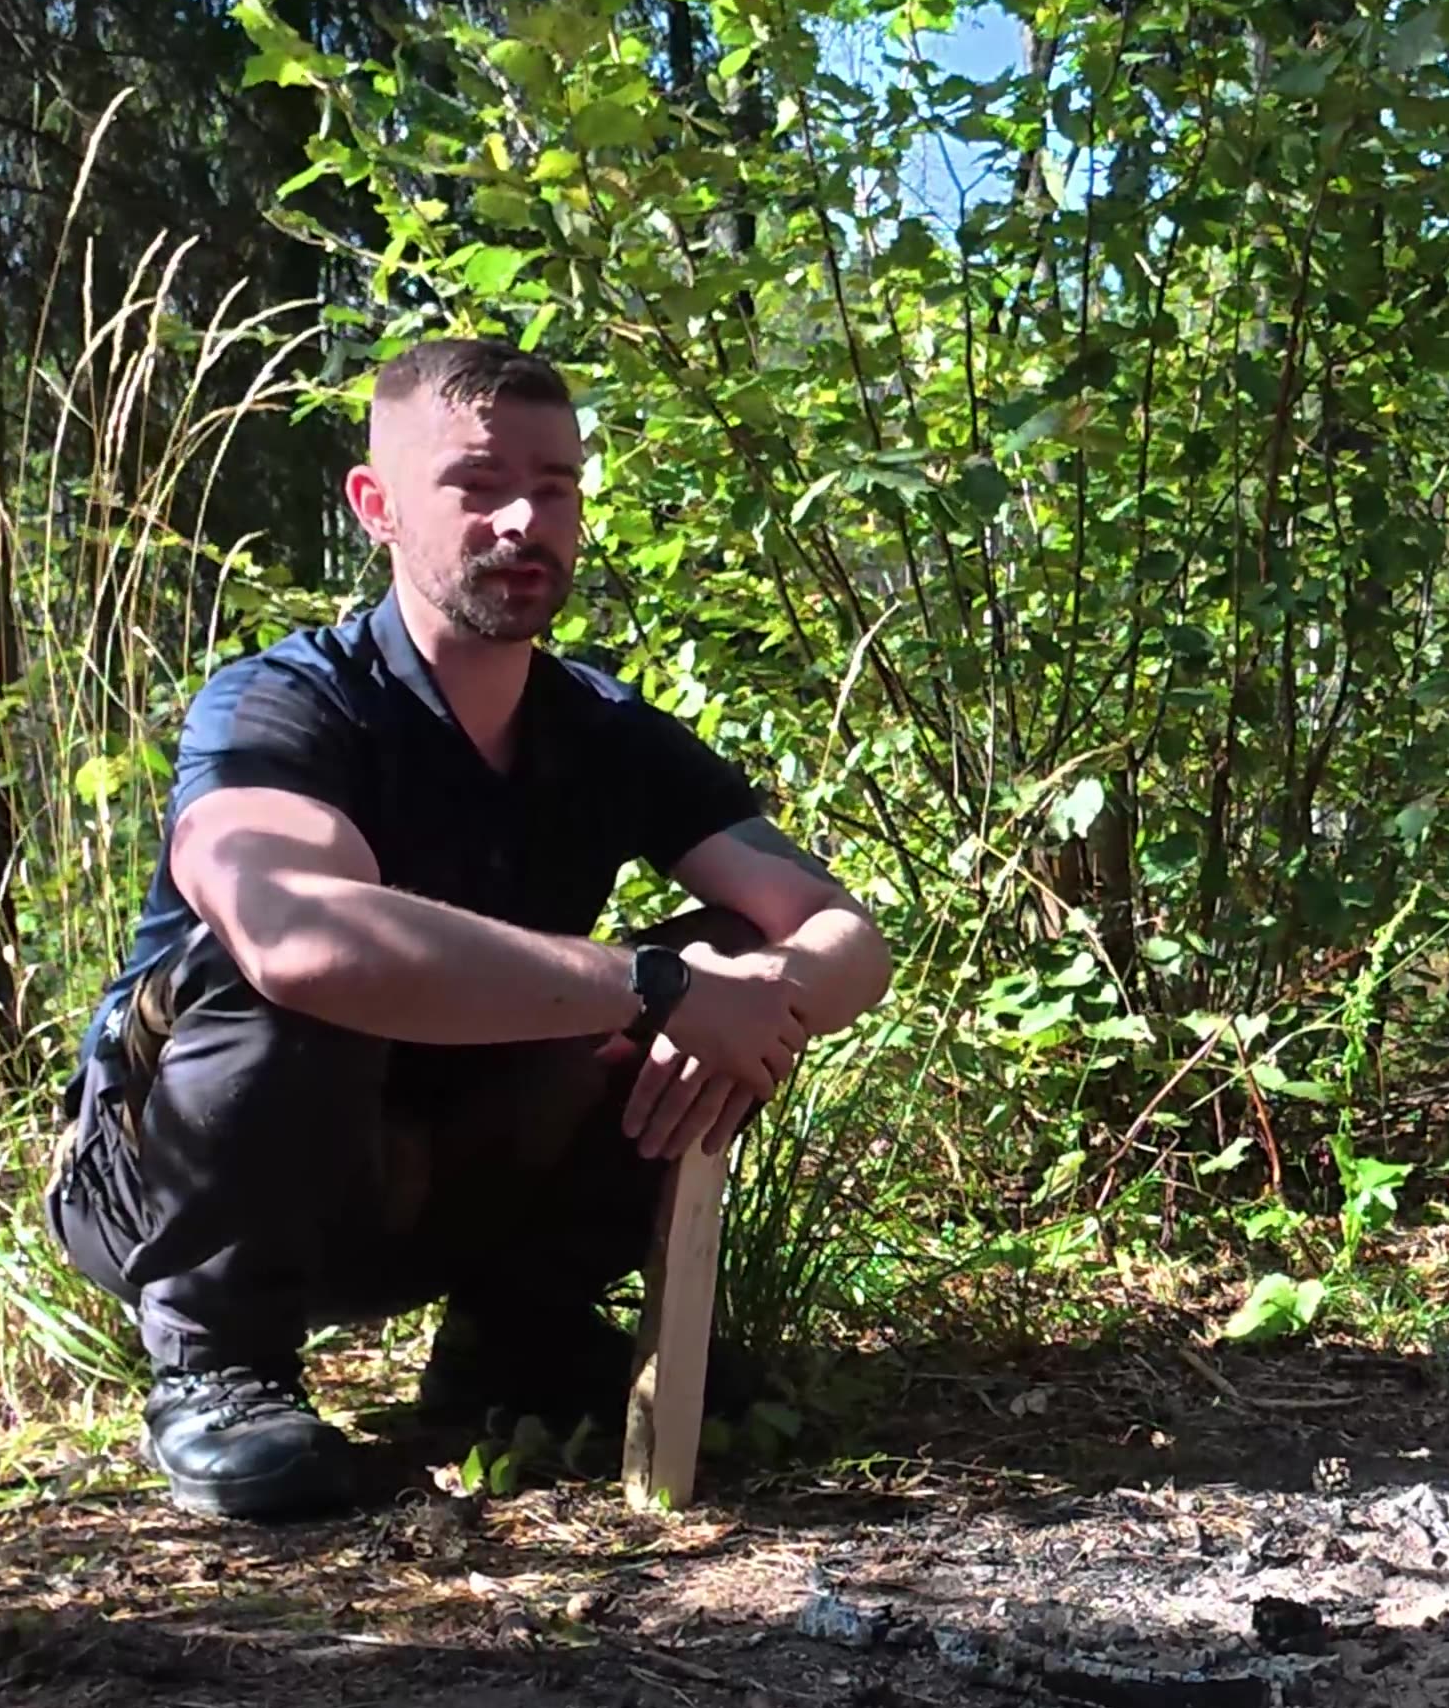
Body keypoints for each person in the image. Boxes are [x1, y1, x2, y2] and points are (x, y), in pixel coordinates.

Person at [51, 338, 890, 1521]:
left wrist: (742, 990)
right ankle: (217, 1363)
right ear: (377, 506)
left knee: (728, 960)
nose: (522, 520)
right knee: (288, 967)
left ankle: (517, 1335)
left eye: (555, 488)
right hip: (180, 1180)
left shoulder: (602, 731)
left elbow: (840, 931)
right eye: (477, 484)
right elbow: (297, 936)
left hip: (436, 1173)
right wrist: (652, 985)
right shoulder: (285, 704)